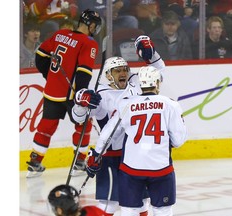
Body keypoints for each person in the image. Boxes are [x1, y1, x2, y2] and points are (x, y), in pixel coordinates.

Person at [72, 36, 165, 215]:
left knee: (142, 202)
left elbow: (158, 71)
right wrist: (80, 101)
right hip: (110, 157)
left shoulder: (136, 84)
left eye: (125, 69)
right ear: (107, 75)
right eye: (117, 70)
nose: (123, 72)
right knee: (109, 204)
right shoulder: (100, 96)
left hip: (136, 154)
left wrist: (150, 53)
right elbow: (78, 119)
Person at [86, 65, 187, 216]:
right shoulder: (170, 105)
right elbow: (178, 140)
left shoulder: (126, 104)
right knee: (163, 210)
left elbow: (108, 133)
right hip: (161, 167)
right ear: (158, 83)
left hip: (131, 168)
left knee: (129, 210)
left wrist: (97, 154)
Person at [26, 9, 102, 178]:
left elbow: (40, 56)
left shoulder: (60, 34)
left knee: (46, 126)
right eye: (95, 26)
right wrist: (82, 93)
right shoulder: (89, 43)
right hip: (71, 94)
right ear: (91, 25)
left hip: (52, 91)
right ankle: (79, 162)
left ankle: (35, 162)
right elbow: (84, 71)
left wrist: (50, 76)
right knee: (83, 125)